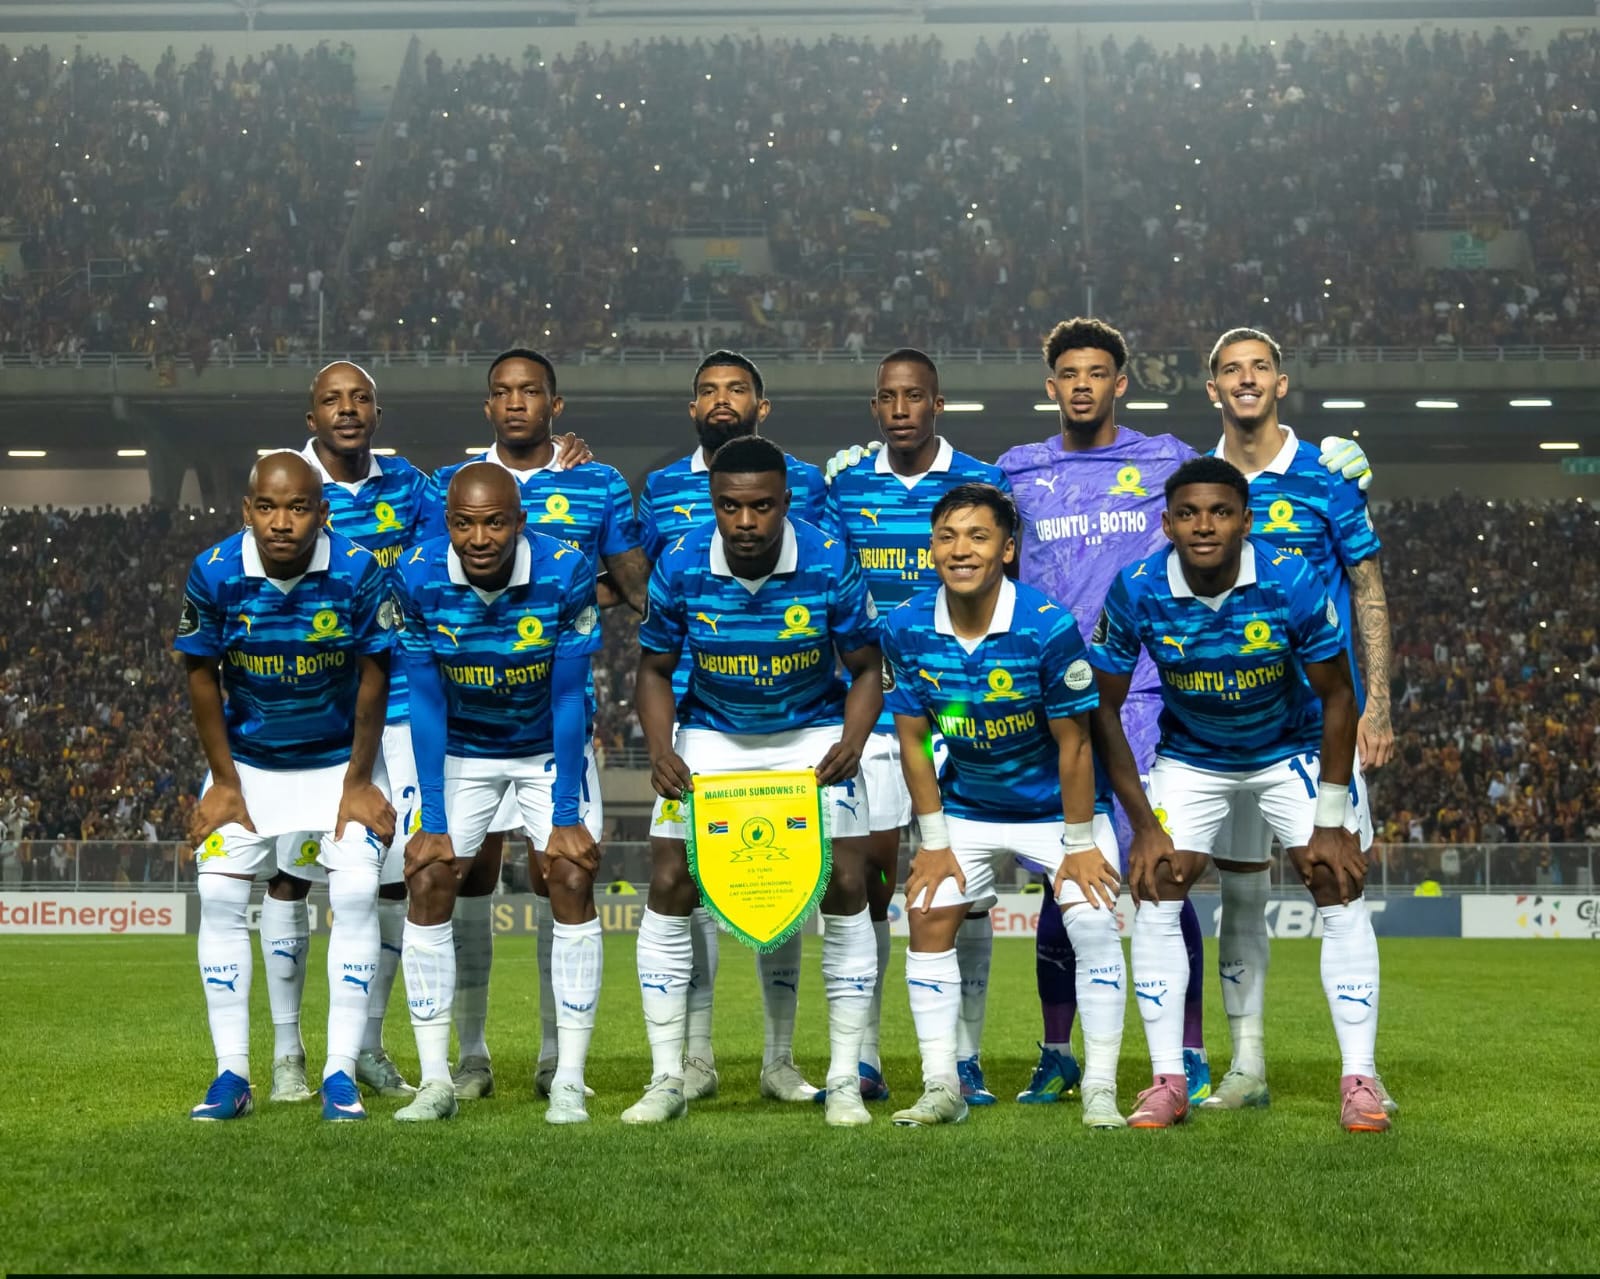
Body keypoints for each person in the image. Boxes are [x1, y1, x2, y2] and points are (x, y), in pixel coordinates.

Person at [827, 317, 1372, 1109]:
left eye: (1097, 374)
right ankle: (1057, 1051)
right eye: (1069, 375)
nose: (1082, 387)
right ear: (1051, 387)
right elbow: (957, 516)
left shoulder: (1166, 457)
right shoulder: (1016, 468)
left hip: (1141, 696)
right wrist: (854, 468)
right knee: (1069, 874)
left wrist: (1327, 458)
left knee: (1151, 874)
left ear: (1121, 383)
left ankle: (1184, 1055)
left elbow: (1234, 484)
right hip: (1037, 691)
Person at [1088, 457, 1388, 1133]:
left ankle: (1361, 1079)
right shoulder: (1136, 588)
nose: (1204, 525)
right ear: (1166, 523)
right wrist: (1145, 825)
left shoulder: (1290, 578)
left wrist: (1331, 820)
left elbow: (1339, 696)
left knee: (1334, 877)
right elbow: (1102, 707)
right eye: (1188, 513)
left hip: (1290, 747)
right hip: (1195, 756)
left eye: (1220, 512)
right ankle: (1168, 1080)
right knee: (1159, 880)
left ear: (1246, 521)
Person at [626, 435, 882, 1126]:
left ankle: (843, 1080)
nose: (745, 521)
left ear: (787, 501)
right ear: (712, 501)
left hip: (811, 733)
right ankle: (666, 1077)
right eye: (730, 506)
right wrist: (660, 747)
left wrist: (852, 741)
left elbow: (867, 666)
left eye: (762, 506)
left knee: (846, 881)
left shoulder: (829, 557)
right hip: (713, 733)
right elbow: (654, 669)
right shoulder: (680, 560)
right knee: (670, 880)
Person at [423, 348, 646, 1106]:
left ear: (556, 403)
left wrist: (566, 602)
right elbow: (425, 573)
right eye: (502, 392)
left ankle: (557, 1059)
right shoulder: (447, 484)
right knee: (470, 874)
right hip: (467, 715)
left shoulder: (597, 480)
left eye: (530, 391)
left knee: (561, 872)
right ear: (487, 405)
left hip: (556, 698)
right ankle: (471, 1054)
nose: (516, 402)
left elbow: (634, 585)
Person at [879, 484, 1128, 1128]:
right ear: (931, 548)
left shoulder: (1047, 627)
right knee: (927, 913)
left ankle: (1100, 1088)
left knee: (1093, 921)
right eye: (947, 537)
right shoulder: (904, 626)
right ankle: (942, 1086)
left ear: (1008, 550)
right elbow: (913, 741)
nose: (960, 550)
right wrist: (934, 841)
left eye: (978, 537)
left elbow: (1076, 745)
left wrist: (1079, 845)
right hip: (969, 806)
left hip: (1059, 811)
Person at [1201, 326, 1398, 1113]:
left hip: (1319, 724)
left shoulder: (1327, 474)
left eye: (1260, 367)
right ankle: (1246, 1066)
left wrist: (1377, 703)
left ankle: (1361, 1073)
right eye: (1231, 369)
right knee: (1240, 893)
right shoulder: (1200, 482)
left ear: (1281, 383)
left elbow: (1368, 585)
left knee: (1336, 882)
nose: (1246, 379)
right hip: (1224, 728)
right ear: (1213, 388)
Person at [634, 351, 833, 1105]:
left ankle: (780, 1060)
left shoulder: (808, 484)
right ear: (692, 406)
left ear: (762, 403)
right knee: (681, 879)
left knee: (779, 880)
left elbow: (817, 577)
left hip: (791, 704)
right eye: (709, 389)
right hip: (698, 707)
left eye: (737, 387)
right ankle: (689, 1059)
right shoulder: (661, 489)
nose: (723, 399)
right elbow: (645, 589)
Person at [176, 450, 396, 1122]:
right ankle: (232, 1074)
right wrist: (223, 781)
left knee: (354, 890)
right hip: (249, 763)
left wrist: (357, 781)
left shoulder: (359, 570)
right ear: (247, 511)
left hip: (337, 762)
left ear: (322, 513)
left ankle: (339, 1073)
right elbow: (201, 675)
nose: (281, 522)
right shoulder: (214, 571)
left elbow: (376, 673)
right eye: (267, 507)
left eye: (298, 508)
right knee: (218, 894)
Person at [823, 348, 1009, 1107]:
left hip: (959, 708)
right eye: (888, 398)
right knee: (866, 883)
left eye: (915, 397)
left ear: (938, 403)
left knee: (964, 889)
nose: (901, 410)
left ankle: (964, 1057)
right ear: (875, 407)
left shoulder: (982, 482)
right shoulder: (843, 485)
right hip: (871, 710)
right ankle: (865, 1055)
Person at [392, 463, 602, 1123]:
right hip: (463, 747)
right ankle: (436, 1081)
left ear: (520, 521)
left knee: (570, 873)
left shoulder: (567, 571)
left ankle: (567, 1077)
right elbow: (426, 698)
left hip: (545, 745)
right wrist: (431, 817)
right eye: (464, 523)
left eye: (495, 523)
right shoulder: (416, 574)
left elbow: (568, 695)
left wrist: (564, 815)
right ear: (447, 521)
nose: (479, 538)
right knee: (429, 875)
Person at [262, 360, 430, 1107]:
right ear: (312, 417)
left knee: (390, 877)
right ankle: (288, 1051)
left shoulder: (412, 486)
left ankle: (364, 1044)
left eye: (360, 398)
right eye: (333, 400)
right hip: (317, 717)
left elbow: (483, 512)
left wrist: (560, 457)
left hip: (401, 709)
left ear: (377, 414)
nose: (348, 409)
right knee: (293, 874)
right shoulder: (288, 486)